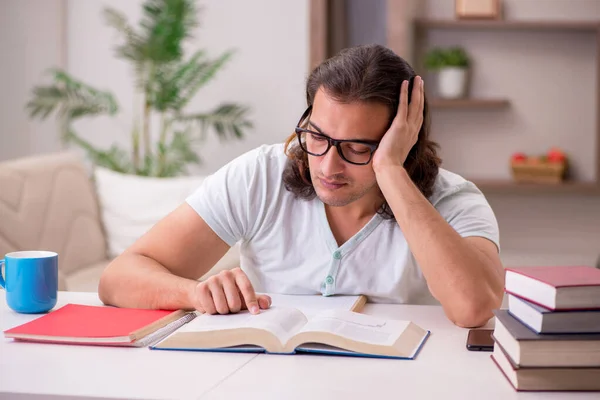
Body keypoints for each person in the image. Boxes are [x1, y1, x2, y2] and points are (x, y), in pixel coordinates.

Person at [99, 44, 504, 328]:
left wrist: (391, 172)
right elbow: (118, 279)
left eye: (357, 149)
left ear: (402, 141)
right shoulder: (259, 175)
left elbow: (473, 308)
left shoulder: (454, 200)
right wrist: (195, 293)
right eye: (317, 136)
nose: (327, 165)